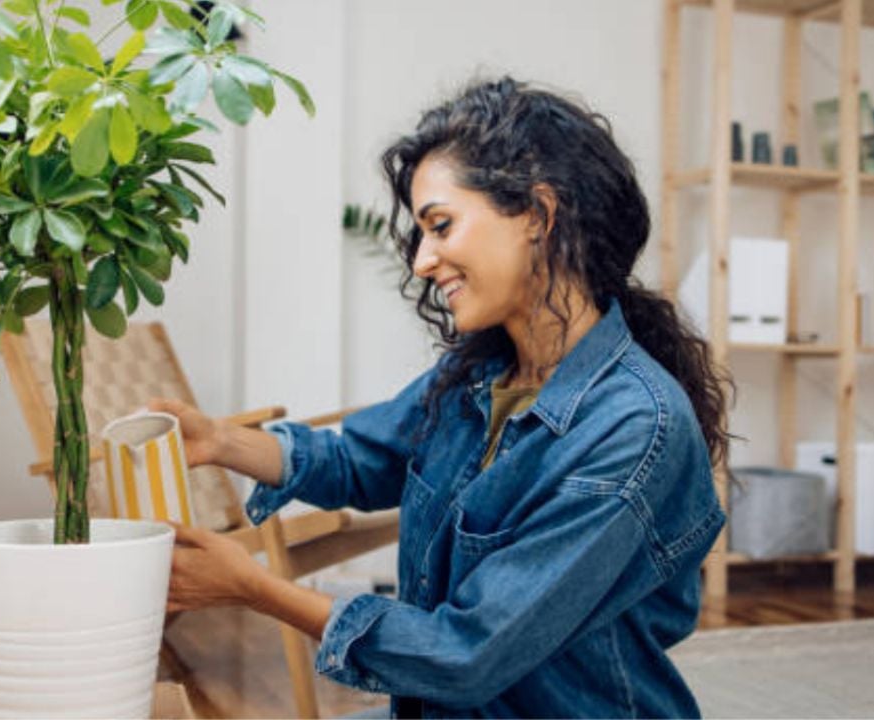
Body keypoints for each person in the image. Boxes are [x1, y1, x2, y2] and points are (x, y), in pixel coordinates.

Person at [150, 76, 729, 719]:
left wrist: (253, 588)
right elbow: (359, 460)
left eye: (441, 226)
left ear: (538, 216)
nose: (422, 260)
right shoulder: (476, 378)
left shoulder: (634, 427)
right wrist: (221, 441)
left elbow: (464, 654)